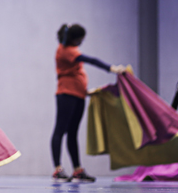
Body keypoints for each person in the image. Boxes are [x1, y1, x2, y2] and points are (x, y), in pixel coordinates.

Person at [51, 23, 126, 183]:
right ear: (74, 38)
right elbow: (91, 60)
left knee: (72, 132)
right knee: (60, 130)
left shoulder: (71, 49)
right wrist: (111, 68)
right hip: (66, 95)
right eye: (80, 39)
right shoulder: (65, 50)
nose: (81, 42)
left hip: (78, 95)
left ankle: (77, 170)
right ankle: (58, 169)